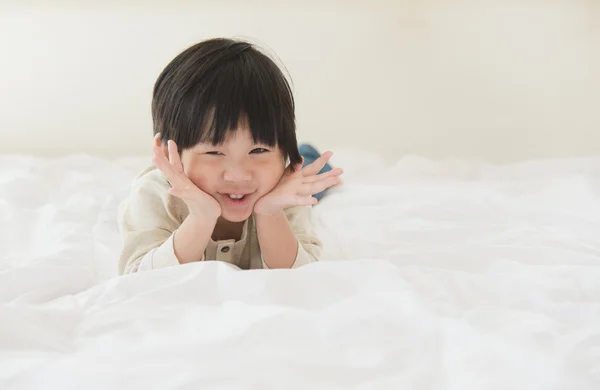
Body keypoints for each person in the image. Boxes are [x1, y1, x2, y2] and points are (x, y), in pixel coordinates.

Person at [117, 38, 343, 274]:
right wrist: (201, 218)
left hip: (273, 181)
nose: (238, 175)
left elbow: (304, 275)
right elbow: (139, 279)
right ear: (166, 152)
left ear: (285, 151)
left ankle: (305, 153)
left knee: (312, 181)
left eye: (258, 150)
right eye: (214, 152)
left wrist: (270, 212)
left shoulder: (282, 193)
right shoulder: (155, 194)